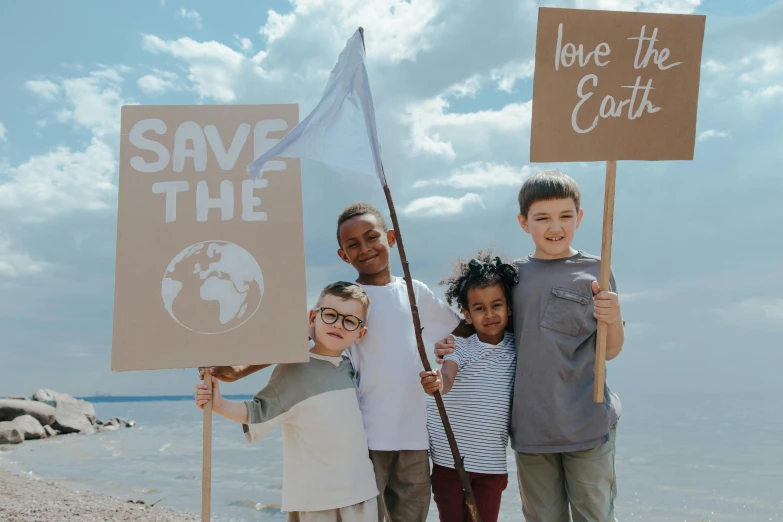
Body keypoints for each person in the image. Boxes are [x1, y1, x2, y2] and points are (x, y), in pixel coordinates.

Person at [205, 202, 472, 522]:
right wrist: (238, 370)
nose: (365, 248)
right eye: (352, 244)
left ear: (391, 237)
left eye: (372, 237)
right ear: (343, 255)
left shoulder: (415, 292)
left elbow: (464, 330)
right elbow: (293, 341)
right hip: (365, 440)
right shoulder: (348, 300)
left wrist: (460, 352)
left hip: (414, 437)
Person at [436, 170, 625, 522]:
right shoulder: (515, 276)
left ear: (579, 217)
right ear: (524, 222)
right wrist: (451, 341)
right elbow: (486, 323)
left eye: (565, 216)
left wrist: (613, 315)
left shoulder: (597, 270)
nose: (555, 227)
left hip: (588, 422)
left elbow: (610, 350)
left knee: (594, 516)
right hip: (531, 429)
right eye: (543, 218)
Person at [196, 282, 379, 522]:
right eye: (331, 315)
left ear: (360, 334)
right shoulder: (294, 371)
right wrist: (217, 404)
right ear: (313, 318)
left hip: (361, 493)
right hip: (316, 500)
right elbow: (258, 412)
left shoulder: (349, 368)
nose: (337, 324)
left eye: (349, 321)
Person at [420, 253, 518, 522]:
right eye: (479, 308)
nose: (489, 315)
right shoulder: (458, 346)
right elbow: (447, 377)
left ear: (509, 307)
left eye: (496, 305)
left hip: (492, 465)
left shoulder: (518, 346)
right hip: (448, 461)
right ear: (466, 314)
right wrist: (438, 382)